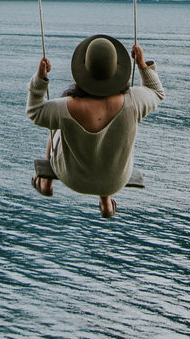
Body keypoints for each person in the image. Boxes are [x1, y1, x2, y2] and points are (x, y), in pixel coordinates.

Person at [27, 34, 162, 219]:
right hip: (115, 181)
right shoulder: (134, 101)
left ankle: (46, 183)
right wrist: (141, 65)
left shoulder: (65, 107)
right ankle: (106, 199)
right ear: (116, 70)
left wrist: (40, 80)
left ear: (84, 70)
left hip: (74, 179)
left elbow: (35, 111)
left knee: (56, 129)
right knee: (110, 141)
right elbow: (156, 92)